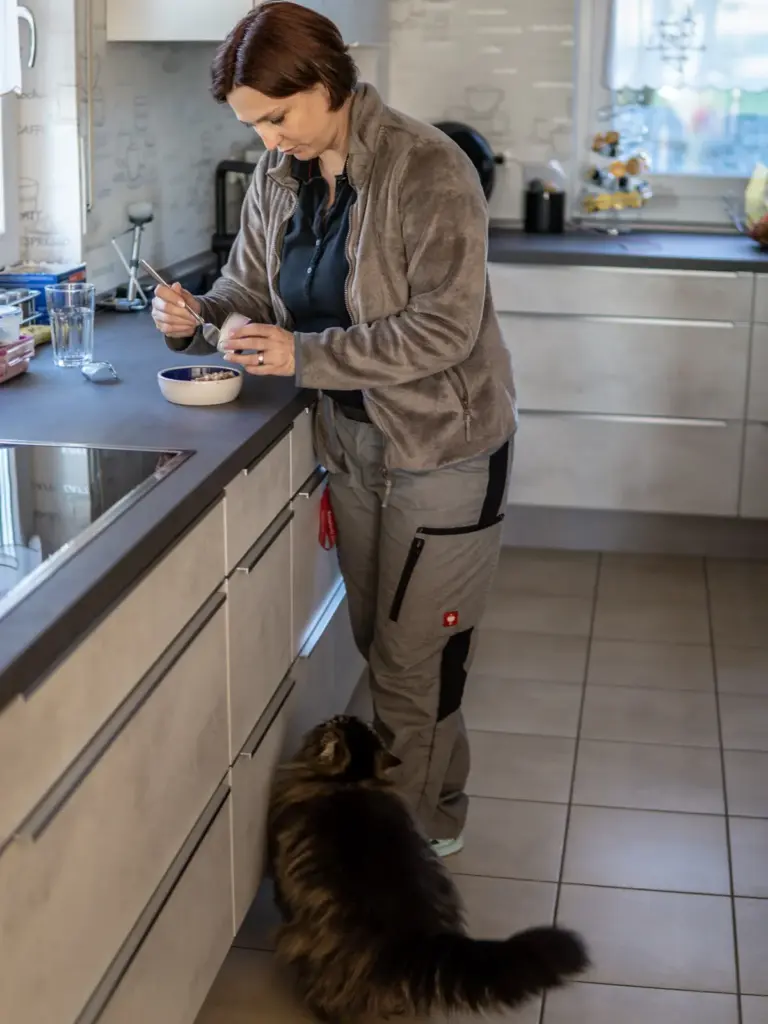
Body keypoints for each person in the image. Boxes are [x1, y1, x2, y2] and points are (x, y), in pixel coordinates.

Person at [151, 0, 517, 857]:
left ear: (327, 82)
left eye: (278, 117)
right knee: (380, 642)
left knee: (411, 663)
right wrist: (191, 312)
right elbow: (244, 291)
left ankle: (410, 852)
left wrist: (303, 357)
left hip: (445, 447)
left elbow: (444, 331)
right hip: (352, 444)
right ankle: (438, 799)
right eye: (255, 125)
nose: (269, 139)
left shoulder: (428, 168)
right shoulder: (280, 176)